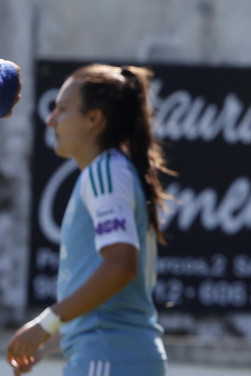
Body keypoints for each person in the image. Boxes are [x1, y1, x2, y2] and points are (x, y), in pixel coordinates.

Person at [7, 64, 172, 376]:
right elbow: (110, 307)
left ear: (94, 119)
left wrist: (45, 324)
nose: (50, 119)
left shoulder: (106, 171)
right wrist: (51, 340)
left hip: (107, 360)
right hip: (118, 358)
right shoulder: (113, 171)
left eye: (63, 109)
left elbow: (121, 265)